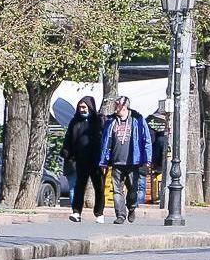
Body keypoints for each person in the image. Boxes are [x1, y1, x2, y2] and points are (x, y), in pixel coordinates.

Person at [101, 94, 152, 222]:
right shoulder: (111, 121)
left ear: (123, 106)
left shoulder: (137, 119)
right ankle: (120, 215)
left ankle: (132, 207)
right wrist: (104, 162)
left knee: (132, 190)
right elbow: (106, 142)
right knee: (117, 191)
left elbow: (147, 140)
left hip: (133, 162)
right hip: (116, 162)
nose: (114, 107)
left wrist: (147, 159)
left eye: (116, 105)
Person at [63, 95, 106, 223]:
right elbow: (68, 138)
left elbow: (106, 139)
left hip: (97, 160)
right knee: (79, 187)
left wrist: (105, 159)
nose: (82, 109)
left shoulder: (99, 121)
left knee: (99, 187)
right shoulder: (75, 121)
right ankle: (76, 212)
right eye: (80, 107)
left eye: (84, 107)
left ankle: (99, 213)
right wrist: (67, 153)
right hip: (80, 160)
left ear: (90, 107)